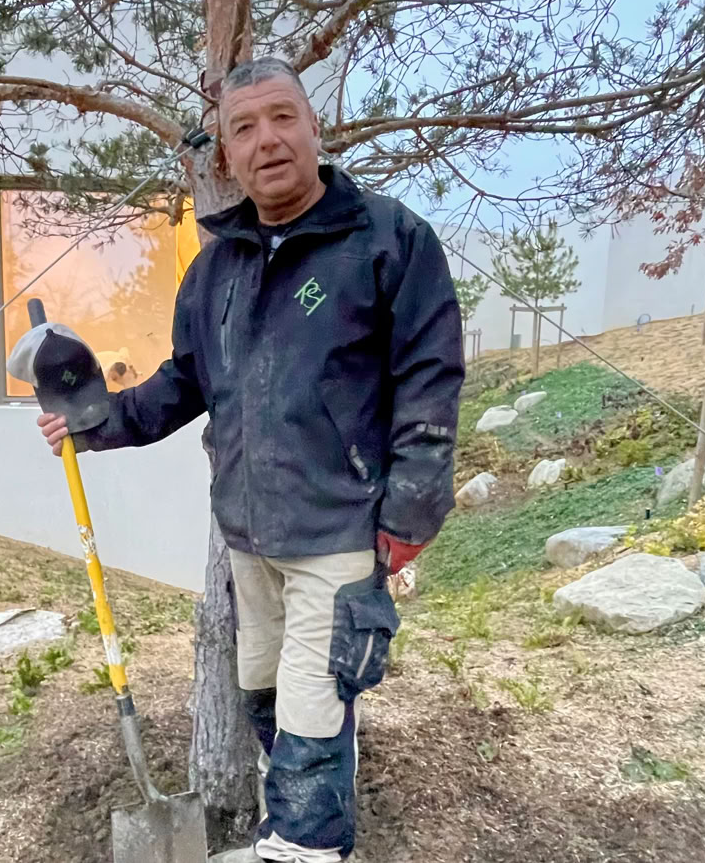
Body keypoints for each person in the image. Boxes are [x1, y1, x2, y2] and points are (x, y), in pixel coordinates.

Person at [38, 57, 464, 863]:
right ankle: (296, 828)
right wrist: (93, 422)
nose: (267, 140)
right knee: (266, 695)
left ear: (313, 127)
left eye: (282, 117)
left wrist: (412, 511)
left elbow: (430, 379)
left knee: (311, 711)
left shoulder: (389, 240)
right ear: (226, 155)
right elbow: (184, 382)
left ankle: (304, 845)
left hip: (338, 530)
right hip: (248, 534)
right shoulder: (214, 271)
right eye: (244, 128)